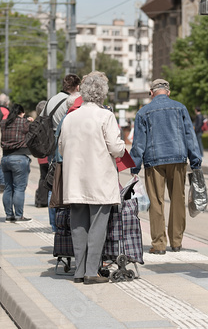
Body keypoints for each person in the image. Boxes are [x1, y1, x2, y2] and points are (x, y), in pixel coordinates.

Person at [59, 72, 125, 284]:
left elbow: (61, 148)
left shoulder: (70, 117)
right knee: (98, 226)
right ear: (102, 95)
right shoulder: (105, 116)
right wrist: (123, 148)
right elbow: (116, 148)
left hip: (75, 180)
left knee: (78, 226)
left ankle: (78, 272)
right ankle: (91, 272)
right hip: (99, 180)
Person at [130, 78, 202, 255]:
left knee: (156, 202)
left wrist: (134, 167)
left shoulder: (143, 112)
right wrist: (195, 161)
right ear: (168, 92)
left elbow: (139, 143)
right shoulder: (180, 108)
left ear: (151, 93)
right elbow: (190, 136)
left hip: (154, 161)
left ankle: (159, 244)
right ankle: (176, 242)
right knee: (178, 200)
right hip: (178, 159)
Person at [44, 74, 81, 231]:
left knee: (53, 184)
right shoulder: (74, 101)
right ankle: (68, 223)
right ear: (77, 86)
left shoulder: (51, 100)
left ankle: (54, 223)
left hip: (51, 145)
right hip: (67, 145)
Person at [0, 103, 33, 222]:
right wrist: (29, 120)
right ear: (21, 112)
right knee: (19, 188)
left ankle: (9, 215)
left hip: (5, 158)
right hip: (19, 158)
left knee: (8, 188)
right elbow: (33, 130)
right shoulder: (23, 122)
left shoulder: (3, 123)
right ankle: (19, 215)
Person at [34, 100, 49, 208]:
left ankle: (41, 200)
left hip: (40, 155)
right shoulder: (48, 122)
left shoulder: (36, 123)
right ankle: (47, 199)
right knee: (50, 177)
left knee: (42, 177)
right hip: (48, 154)